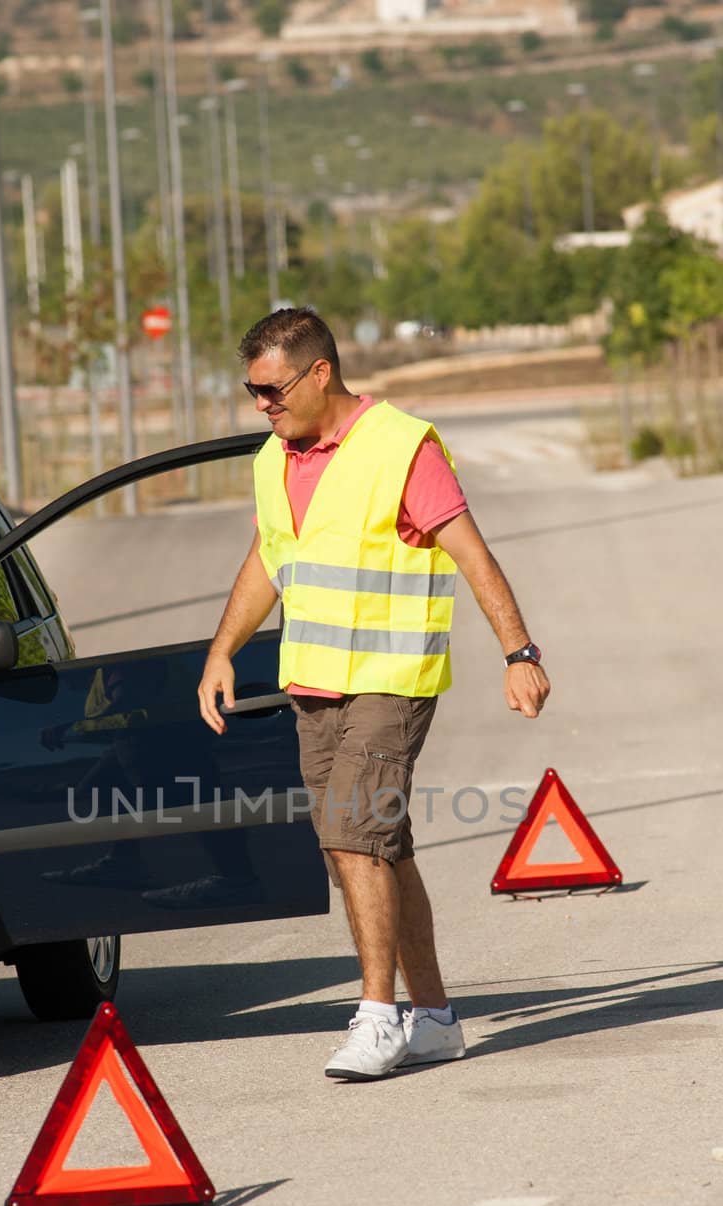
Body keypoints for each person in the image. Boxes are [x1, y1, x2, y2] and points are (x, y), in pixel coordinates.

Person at [197, 307, 550, 1082]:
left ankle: (376, 1015)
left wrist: (517, 651)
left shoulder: (400, 448)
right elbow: (268, 559)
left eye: (271, 388)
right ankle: (434, 1019)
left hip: (390, 681)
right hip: (314, 682)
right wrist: (221, 650)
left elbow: (471, 553)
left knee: (356, 837)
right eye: (250, 390)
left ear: (319, 372)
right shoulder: (274, 458)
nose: (261, 403)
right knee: (369, 848)